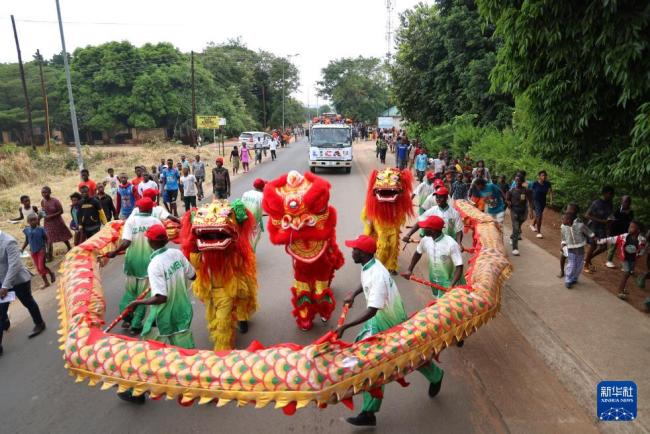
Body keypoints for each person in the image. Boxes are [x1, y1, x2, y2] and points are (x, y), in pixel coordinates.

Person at [337, 234, 444, 427]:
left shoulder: (377, 274)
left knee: (380, 365)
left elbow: (371, 310)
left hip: (390, 325)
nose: (352, 251)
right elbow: (364, 282)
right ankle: (370, 412)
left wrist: (345, 326)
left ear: (364, 253)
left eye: (355, 249)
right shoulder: (369, 265)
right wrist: (353, 294)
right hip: (378, 323)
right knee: (389, 362)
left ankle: (369, 413)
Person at [127, 224, 196, 348]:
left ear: (151, 242)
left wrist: (137, 303)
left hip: (164, 314)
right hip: (183, 310)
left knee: (153, 348)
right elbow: (193, 276)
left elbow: (161, 298)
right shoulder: (177, 253)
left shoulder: (155, 264)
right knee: (185, 349)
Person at [106, 198, 163, 335]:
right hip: (148, 265)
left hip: (132, 263)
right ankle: (136, 325)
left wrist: (114, 252)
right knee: (142, 295)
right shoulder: (156, 222)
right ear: (150, 209)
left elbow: (126, 242)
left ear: (138, 208)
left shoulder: (131, 221)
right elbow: (161, 241)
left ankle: (126, 317)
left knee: (130, 292)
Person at [0, 230, 47, 356]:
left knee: (28, 302)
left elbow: (14, 265)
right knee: (1, 310)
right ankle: (4, 324)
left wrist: (5, 286)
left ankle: (40, 323)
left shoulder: (8, 242)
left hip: (18, 281)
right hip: (2, 281)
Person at [597, 221, 646, 299]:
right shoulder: (624, 236)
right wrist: (600, 240)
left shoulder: (642, 240)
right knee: (626, 273)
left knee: (629, 273)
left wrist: (639, 255)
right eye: (629, 226)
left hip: (633, 259)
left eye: (632, 227)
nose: (629, 228)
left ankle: (623, 288)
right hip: (625, 259)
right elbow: (612, 239)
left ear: (638, 230)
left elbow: (642, 249)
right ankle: (620, 291)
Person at [560, 212, 596, 289]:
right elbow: (563, 237)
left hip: (580, 249)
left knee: (579, 265)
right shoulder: (563, 227)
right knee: (571, 265)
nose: (562, 220)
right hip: (570, 248)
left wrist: (593, 236)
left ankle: (574, 278)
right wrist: (563, 243)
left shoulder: (579, 225)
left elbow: (588, 231)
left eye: (563, 219)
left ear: (569, 220)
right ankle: (568, 280)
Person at [583, 186, 615, 273]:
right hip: (593, 226)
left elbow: (610, 214)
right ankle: (586, 265)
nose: (611, 196)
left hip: (602, 228)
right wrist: (602, 220)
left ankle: (588, 258)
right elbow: (587, 215)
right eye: (609, 194)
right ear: (604, 193)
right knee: (593, 245)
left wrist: (610, 220)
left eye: (612, 194)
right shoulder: (596, 203)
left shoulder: (610, 203)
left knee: (604, 247)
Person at [21, 214, 55, 289]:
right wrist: (22, 248)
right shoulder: (27, 230)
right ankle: (46, 283)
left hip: (41, 250)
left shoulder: (41, 229)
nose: (33, 222)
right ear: (28, 222)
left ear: (37, 220)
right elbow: (27, 240)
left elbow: (47, 239)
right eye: (31, 220)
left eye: (35, 219)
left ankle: (51, 273)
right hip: (33, 251)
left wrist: (48, 248)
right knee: (38, 268)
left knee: (41, 267)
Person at [40, 186, 72, 261]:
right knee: (49, 239)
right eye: (42, 193)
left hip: (57, 221)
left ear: (50, 193)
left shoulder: (55, 201)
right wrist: (41, 217)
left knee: (63, 236)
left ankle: (69, 248)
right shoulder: (43, 201)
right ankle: (49, 255)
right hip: (48, 223)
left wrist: (50, 216)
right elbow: (43, 211)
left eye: (45, 192)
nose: (44, 194)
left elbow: (61, 211)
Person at [505, 175, 534, 256]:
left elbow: (531, 201)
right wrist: (508, 202)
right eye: (516, 180)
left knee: (517, 228)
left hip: (523, 212)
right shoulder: (512, 191)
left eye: (519, 180)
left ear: (522, 182)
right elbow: (507, 199)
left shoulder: (526, 191)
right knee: (516, 227)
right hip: (514, 211)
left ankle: (513, 236)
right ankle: (515, 248)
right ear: (514, 181)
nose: (517, 182)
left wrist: (531, 211)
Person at [605, 195, 633, 269]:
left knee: (623, 248)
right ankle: (608, 261)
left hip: (624, 232)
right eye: (624, 202)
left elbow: (630, 222)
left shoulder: (630, 212)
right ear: (621, 202)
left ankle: (623, 265)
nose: (625, 203)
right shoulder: (617, 210)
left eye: (627, 202)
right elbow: (610, 219)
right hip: (614, 231)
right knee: (613, 247)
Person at [241, 179, 265, 251]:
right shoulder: (262, 196)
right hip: (254, 221)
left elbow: (242, 205)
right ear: (262, 187)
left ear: (254, 186)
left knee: (245, 236)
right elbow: (263, 209)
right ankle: (251, 252)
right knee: (255, 237)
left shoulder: (246, 193)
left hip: (244, 219)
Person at [558, 203, 580, 278]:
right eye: (567, 209)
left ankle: (572, 275)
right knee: (563, 256)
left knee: (573, 260)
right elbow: (563, 235)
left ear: (575, 211)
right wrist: (563, 243)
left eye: (570, 209)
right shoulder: (565, 220)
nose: (568, 210)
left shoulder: (578, 222)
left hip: (575, 244)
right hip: (566, 242)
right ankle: (562, 270)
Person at [530, 170, 552, 238]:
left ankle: (532, 225)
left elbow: (551, 191)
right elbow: (531, 192)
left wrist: (551, 200)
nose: (544, 177)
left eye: (545, 175)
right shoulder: (535, 183)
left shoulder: (547, 183)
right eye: (542, 175)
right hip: (536, 201)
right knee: (539, 215)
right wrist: (531, 203)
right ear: (539, 176)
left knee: (539, 214)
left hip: (543, 201)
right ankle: (539, 232)